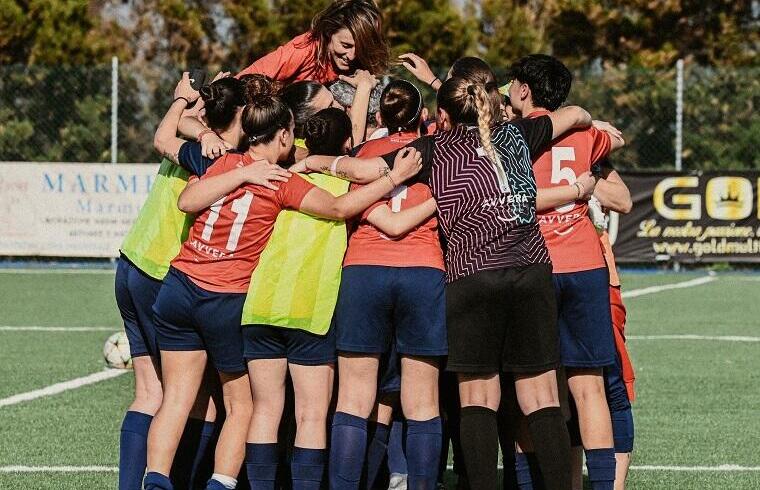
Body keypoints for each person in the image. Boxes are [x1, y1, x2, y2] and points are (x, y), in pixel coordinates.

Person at [300, 61, 600, 490]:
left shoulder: (434, 147)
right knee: (543, 398)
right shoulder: (517, 134)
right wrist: (592, 120)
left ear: (443, 116)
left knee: (478, 399)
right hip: (531, 272)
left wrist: (315, 161)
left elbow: (364, 171)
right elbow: (571, 116)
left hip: (472, 277)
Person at [142, 93, 423, 490]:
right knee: (244, 406)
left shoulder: (224, 161)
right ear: (284, 135)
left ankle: (155, 480)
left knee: (177, 396)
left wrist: (239, 172)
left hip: (179, 286)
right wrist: (393, 179)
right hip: (226, 296)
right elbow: (340, 209)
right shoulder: (281, 181)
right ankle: (220, 484)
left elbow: (187, 199)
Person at [116, 72, 285, 490]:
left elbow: (161, 139)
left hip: (134, 261)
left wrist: (181, 106)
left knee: (155, 393)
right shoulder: (229, 158)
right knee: (211, 399)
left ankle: (147, 482)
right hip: (179, 274)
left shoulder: (200, 147)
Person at [508, 54, 625, 490]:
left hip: (534, 266)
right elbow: (615, 140)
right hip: (585, 264)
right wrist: (600, 130)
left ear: (523, 90)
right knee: (589, 388)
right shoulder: (584, 134)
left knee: (533, 392)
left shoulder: (510, 136)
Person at [326, 79, 444, 490]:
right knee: (423, 401)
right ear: (422, 117)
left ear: (378, 117)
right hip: (423, 270)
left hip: (364, 270)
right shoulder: (440, 150)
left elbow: (351, 193)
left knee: (354, 398)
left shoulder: (361, 154)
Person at [238, 0, 388, 84]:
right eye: (346, 45)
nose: (352, 56)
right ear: (329, 33)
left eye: (360, 48)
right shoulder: (303, 49)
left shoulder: (361, 64)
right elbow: (239, 83)